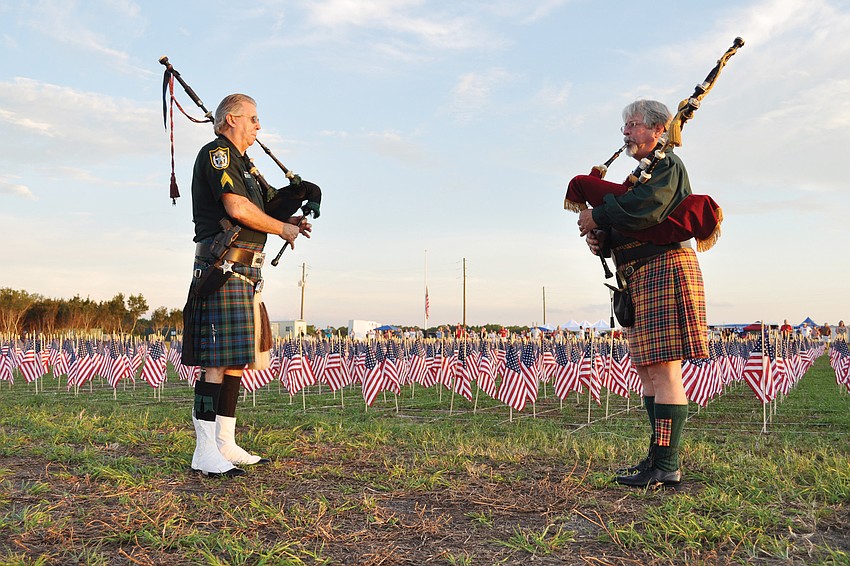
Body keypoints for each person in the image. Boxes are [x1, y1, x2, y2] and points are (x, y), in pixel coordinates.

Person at [576, 100, 710, 488]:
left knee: (665, 370)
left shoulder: (667, 166)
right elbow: (631, 222)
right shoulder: (643, 174)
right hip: (638, 275)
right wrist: (603, 239)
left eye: (633, 125)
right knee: (649, 372)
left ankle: (666, 463)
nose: (626, 133)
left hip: (665, 269)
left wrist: (598, 214)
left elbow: (647, 210)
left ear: (658, 129)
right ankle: (657, 456)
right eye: (625, 127)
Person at [182, 94, 312, 477]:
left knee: (236, 361)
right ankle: (203, 451)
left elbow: (268, 206)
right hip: (222, 268)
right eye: (253, 118)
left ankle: (225, 442)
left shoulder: (247, 166)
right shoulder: (216, 154)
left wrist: (299, 204)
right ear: (230, 119)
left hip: (247, 273)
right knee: (215, 363)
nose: (259, 126)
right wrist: (283, 228)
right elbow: (238, 209)